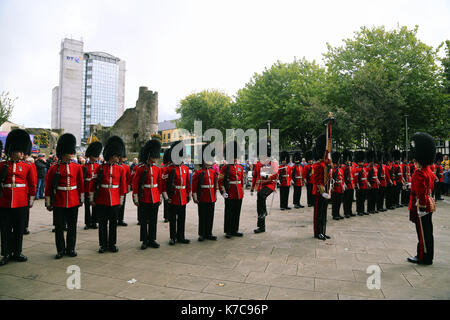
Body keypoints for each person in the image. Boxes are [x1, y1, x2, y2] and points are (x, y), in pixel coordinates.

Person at [0, 129, 37, 266]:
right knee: (5, 230)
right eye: (18, 151)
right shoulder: (2, 166)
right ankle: (5, 253)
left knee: (19, 229)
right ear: (11, 151)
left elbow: (32, 184)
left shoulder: (27, 166)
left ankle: (17, 252)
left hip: (21, 202)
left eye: (22, 151)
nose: (21, 154)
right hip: (4, 202)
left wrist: (31, 200)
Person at [45, 134, 84, 259]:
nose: (71, 155)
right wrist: (48, 202)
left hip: (73, 200)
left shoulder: (77, 167)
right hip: (59, 201)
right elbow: (48, 186)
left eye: (71, 152)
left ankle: (71, 248)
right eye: (69, 152)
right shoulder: (53, 168)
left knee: (72, 227)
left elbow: (80, 184)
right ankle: (60, 250)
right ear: (63, 153)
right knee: (59, 227)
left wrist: (81, 198)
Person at [90, 136, 127, 253]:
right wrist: (92, 198)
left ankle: (112, 244)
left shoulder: (120, 169)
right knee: (102, 224)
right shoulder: (100, 168)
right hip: (102, 199)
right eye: (117, 156)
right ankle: (103, 245)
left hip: (115, 200)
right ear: (111, 155)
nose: (118, 158)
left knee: (113, 224)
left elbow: (122, 186)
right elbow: (92, 185)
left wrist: (121, 200)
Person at [407, 132, 437, 266]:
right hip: (428, 204)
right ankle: (427, 255)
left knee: (422, 233)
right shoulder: (428, 170)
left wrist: (422, 207)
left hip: (421, 205)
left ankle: (423, 257)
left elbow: (421, 193)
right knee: (428, 231)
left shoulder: (419, 172)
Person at [132, 139, 162, 249]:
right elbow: (135, 184)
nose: (156, 158)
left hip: (154, 196)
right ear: (149, 155)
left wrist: (160, 197)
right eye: (154, 156)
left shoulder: (157, 169)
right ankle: (144, 240)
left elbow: (159, 184)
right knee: (144, 220)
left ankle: (152, 239)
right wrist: (135, 198)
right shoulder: (140, 168)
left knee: (153, 220)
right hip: (144, 197)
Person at [162, 141, 191, 245]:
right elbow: (164, 185)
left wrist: (189, 195)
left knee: (182, 219)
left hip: (182, 197)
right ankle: (172, 237)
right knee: (173, 219)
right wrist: (166, 197)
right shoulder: (168, 169)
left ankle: (181, 237)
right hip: (172, 197)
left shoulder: (185, 169)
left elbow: (188, 183)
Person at [218, 141, 245, 239]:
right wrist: (223, 192)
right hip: (230, 193)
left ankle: (235, 230)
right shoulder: (225, 168)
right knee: (229, 212)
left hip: (238, 193)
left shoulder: (240, 168)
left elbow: (241, 181)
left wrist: (242, 191)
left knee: (237, 212)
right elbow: (220, 181)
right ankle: (228, 230)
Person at [192, 144, 218, 241]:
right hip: (202, 197)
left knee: (210, 216)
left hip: (211, 196)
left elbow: (215, 186)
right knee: (202, 216)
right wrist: (195, 197)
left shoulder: (212, 172)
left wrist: (215, 195)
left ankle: (209, 233)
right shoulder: (198, 173)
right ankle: (201, 234)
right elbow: (194, 186)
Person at [251, 141, 278, 234]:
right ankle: (261, 226)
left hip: (270, 185)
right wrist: (252, 187)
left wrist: (266, 176)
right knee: (259, 204)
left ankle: (264, 212)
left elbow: (275, 175)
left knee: (261, 195)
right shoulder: (258, 164)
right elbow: (255, 176)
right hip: (260, 186)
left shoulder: (272, 162)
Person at [311, 134, 330, 240]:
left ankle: (322, 231)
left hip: (325, 190)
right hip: (319, 191)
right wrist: (323, 192)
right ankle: (317, 232)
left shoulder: (325, 164)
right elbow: (316, 181)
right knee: (318, 213)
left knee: (323, 212)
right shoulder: (317, 165)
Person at [83, 141, 102, 230]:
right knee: (87, 207)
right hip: (86, 189)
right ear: (90, 156)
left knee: (95, 207)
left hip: (94, 189)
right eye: (95, 156)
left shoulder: (98, 166)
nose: (96, 158)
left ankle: (94, 222)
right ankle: (87, 223)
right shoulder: (84, 166)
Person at [117, 152, 131, 227]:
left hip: (123, 187)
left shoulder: (126, 167)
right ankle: (115, 219)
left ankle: (120, 219)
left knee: (122, 205)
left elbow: (128, 178)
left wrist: (128, 188)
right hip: (115, 187)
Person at [330, 152, 344, 220]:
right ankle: (334, 214)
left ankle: (337, 213)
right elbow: (330, 179)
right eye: (335, 164)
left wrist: (343, 185)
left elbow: (342, 178)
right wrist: (332, 186)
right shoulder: (332, 170)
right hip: (335, 187)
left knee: (339, 202)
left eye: (337, 164)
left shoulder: (340, 169)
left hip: (340, 187)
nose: (336, 165)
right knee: (335, 202)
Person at [342, 150, 356, 218]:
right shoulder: (343, 168)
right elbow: (342, 177)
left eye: (349, 161)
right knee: (346, 200)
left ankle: (350, 211)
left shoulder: (352, 167)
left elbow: (353, 176)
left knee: (350, 199)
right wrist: (344, 184)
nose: (349, 162)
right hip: (347, 185)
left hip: (351, 185)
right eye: (347, 161)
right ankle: (346, 212)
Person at [354, 151, 369, 216]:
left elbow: (366, 177)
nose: (362, 163)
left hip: (364, 186)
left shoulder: (364, 169)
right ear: (358, 162)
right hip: (360, 186)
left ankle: (362, 210)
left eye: (362, 162)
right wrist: (357, 186)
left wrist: (367, 184)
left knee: (363, 199)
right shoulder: (357, 169)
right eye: (361, 162)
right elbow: (356, 179)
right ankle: (359, 210)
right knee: (359, 199)